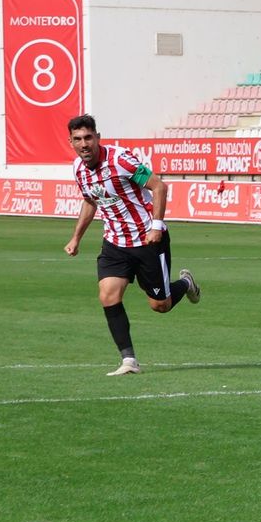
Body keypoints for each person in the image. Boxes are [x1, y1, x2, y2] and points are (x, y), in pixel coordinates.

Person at [62, 113, 202, 375]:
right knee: (108, 295)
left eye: (88, 138)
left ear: (98, 138)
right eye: (78, 139)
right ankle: (129, 360)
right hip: (114, 243)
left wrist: (156, 226)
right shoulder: (78, 168)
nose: (84, 144)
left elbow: (159, 187)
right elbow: (90, 201)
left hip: (147, 240)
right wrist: (76, 237)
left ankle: (185, 283)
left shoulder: (121, 160)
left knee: (160, 305)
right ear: (71, 142)